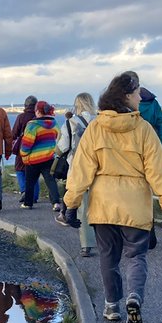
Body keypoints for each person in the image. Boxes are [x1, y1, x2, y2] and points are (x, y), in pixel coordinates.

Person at [61, 73, 162, 323]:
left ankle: (111, 305)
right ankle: (134, 297)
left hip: (103, 205)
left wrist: (71, 204)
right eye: (137, 92)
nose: (140, 97)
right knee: (136, 256)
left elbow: (81, 170)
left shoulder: (95, 129)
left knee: (108, 258)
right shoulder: (144, 130)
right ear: (126, 95)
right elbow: (158, 171)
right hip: (135, 204)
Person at [54, 92, 97, 257]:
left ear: (77, 104)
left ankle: (86, 245)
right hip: (99, 168)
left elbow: (63, 146)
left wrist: (55, 154)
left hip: (78, 168)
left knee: (83, 206)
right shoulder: (99, 120)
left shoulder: (71, 122)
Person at [19, 100, 63, 212]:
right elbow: (59, 139)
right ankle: (56, 203)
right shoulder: (54, 124)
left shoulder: (32, 125)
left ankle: (28, 203)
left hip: (33, 159)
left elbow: (26, 144)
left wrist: (24, 154)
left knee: (30, 182)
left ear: (37, 111)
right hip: (49, 158)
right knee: (50, 181)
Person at [10, 96, 41, 205]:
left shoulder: (21, 117)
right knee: (35, 172)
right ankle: (35, 196)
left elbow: (14, 134)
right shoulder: (38, 117)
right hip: (37, 148)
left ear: (25, 105)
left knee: (19, 169)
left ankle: (24, 191)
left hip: (23, 147)